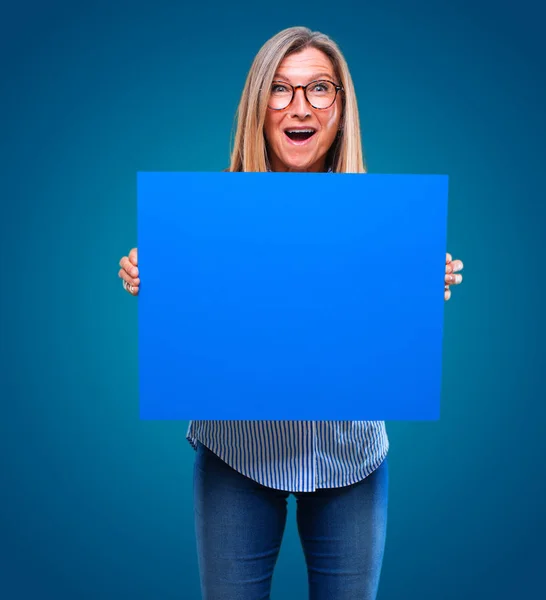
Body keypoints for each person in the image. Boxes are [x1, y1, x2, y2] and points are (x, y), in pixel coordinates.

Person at [118, 26, 464, 600]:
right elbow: (193, 320)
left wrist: (419, 292)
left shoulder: (388, 222)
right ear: (259, 105)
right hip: (238, 451)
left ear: (341, 106)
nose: (299, 107)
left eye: (319, 89)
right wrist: (154, 279)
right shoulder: (204, 218)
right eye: (280, 89)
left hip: (349, 454)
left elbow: (388, 339)